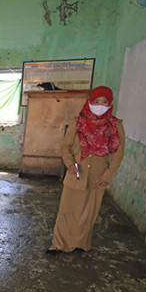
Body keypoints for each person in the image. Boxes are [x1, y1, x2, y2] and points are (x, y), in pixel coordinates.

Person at [47, 86, 125, 254]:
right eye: (96, 102)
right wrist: (69, 165)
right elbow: (66, 147)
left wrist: (108, 175)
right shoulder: (79, 122)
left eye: (104, 102)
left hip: (98, 177)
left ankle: (80, 244)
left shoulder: (115, 125)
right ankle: (58, 243)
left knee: (88, 214)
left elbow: (118, 154)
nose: (100, 105)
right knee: (67, 211)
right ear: (89, 102)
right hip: (76, 173)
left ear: (110, 104)